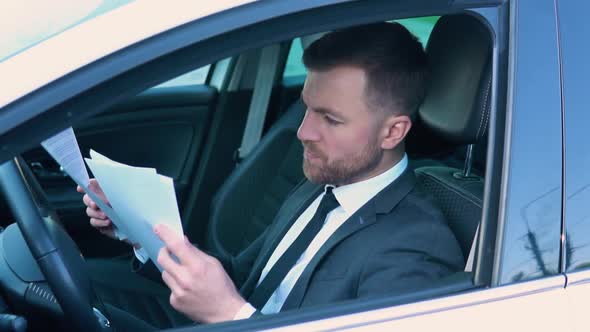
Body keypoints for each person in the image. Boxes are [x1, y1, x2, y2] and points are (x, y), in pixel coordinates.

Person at [79, 22, 464, 327]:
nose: (303, 133)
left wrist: (229, 316)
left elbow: (233, 305)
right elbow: (243, 282)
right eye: (307, 109)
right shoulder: (322, 187)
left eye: (330, 119)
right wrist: (141, 231)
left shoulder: (416, 248)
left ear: (393, 132)